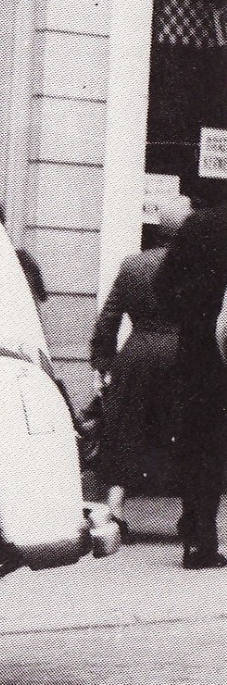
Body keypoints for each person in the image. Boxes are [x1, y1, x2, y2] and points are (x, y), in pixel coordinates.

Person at [88, 199, 191, 526]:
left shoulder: (132, 266)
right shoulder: (200, 267)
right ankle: (190, 516)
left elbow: (108, 319)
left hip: (138, 355)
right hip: (185, 355)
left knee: (126, 431)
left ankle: (114, 509)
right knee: (187, 431)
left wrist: (103, 361)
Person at [153, 194, 227, 569]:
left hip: (203, 356)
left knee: (202, 444)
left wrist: (196, 316)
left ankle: (198, 536)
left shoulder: (198, 225)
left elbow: (163, 288)